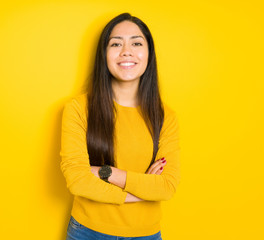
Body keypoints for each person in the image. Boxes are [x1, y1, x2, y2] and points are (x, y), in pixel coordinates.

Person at [60, 12, 180, 240]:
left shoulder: (166, 117)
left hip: (146, 235)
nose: (127, 51)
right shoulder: (78, 108)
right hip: (87, 232)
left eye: (136, 43)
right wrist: (140, 191)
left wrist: (107, 172)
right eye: (116, 43)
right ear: (104, 55)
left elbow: (166, 186)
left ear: (148, 54)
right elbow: (77, 181)